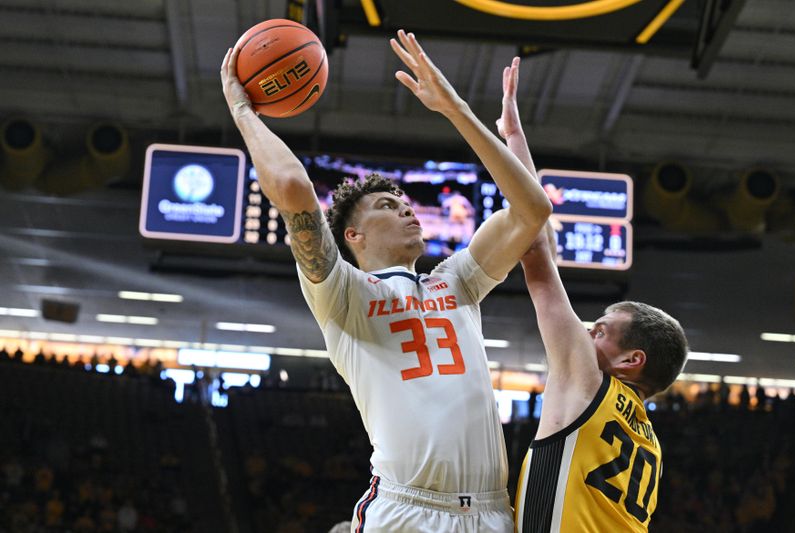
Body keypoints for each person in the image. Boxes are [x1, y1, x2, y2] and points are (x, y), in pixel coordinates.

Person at [221, 30, 551, 532]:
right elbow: (291, 187)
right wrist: (244, 110)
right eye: (387, 207)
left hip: (491, 513)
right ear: (352, 234)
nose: (407, 211)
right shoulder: (343, 293)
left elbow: (532, 210)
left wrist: (456, 109)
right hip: (405, 510)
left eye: (405, 203)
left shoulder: (455, 282)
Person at [494, 61, 690, 532]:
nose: (584, 329)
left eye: (600, 330)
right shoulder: (649, 443)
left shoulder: (588, 382)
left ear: (630, 361)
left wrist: (514, 138)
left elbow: (538, 255)